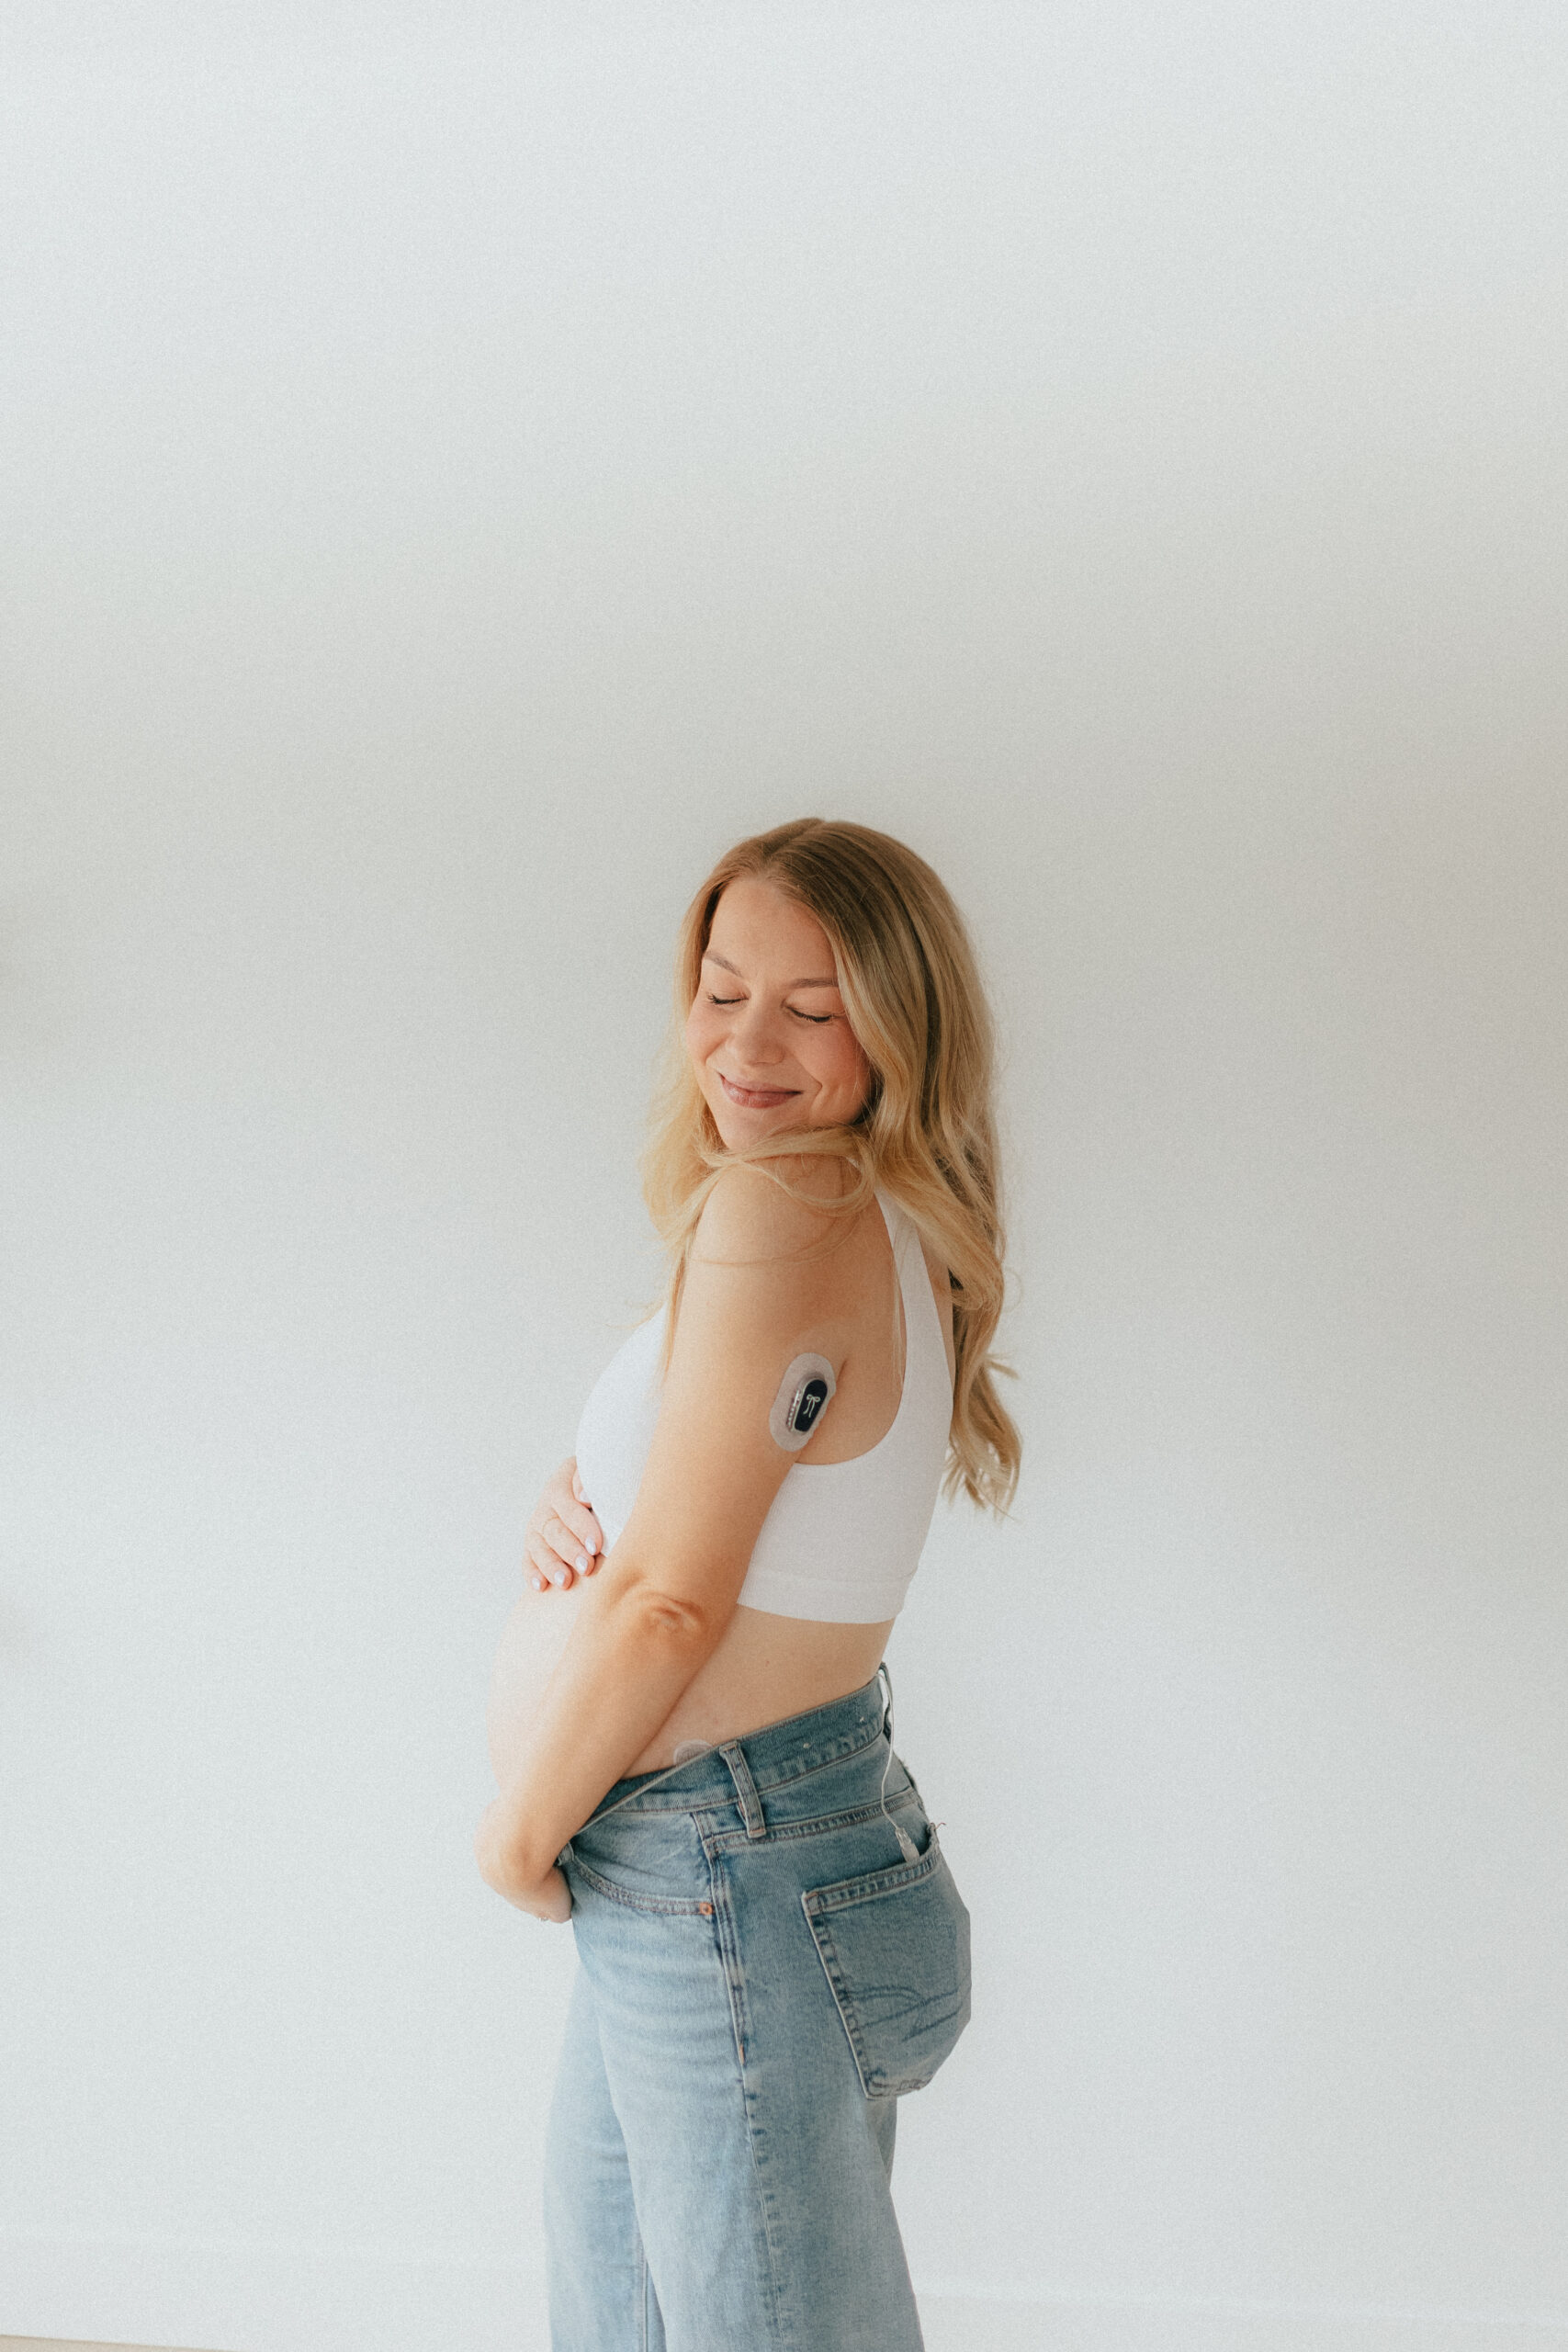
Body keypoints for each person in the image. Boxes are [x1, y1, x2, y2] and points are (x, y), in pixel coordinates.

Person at [477, 817, 1020, 2352]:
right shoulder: (866, 1209)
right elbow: (743, 1499)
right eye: (721, 993)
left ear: (899, 1024)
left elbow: (673, 1604)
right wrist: (588, 1488)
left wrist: (517, 1838)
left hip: (718, 1858)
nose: (747, 1044)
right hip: (739, 1849)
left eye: (813, 1006)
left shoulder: (791, 1209)